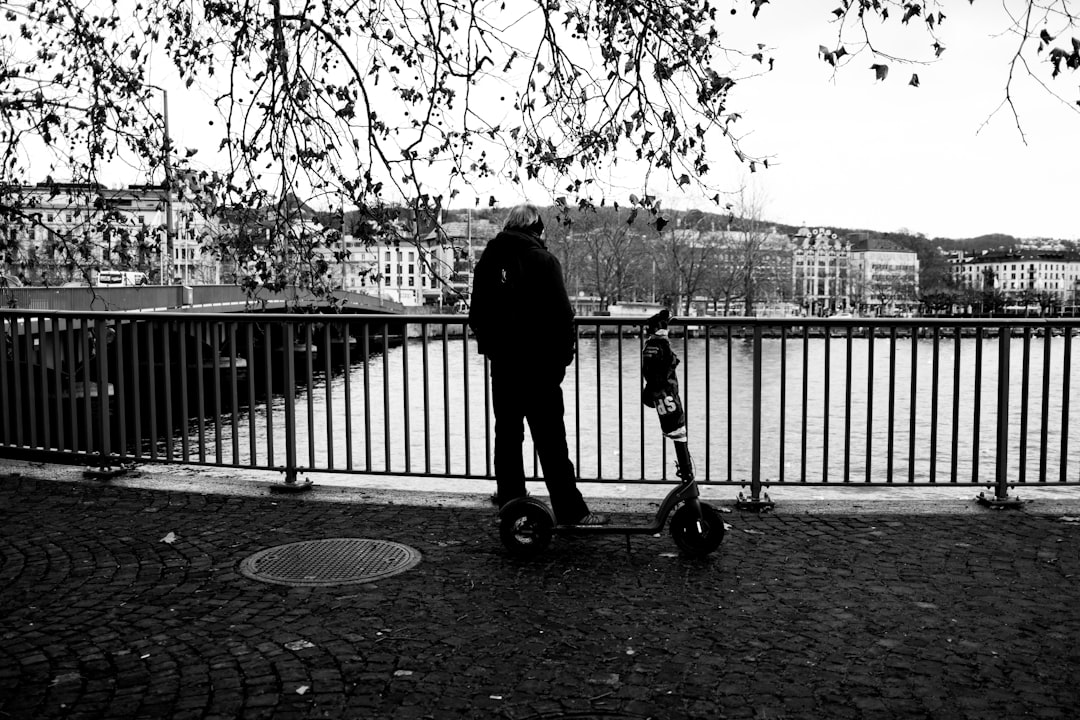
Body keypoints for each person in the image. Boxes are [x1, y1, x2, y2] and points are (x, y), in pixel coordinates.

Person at [468, 203, 608, 526]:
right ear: (536, 228)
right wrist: (561, 361)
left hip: (504, 368)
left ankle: (512, 509)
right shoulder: (544, 261)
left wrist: (494, 350)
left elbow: (478, 316)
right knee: (551, 443)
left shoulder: (488, 260)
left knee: (507, 438)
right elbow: (563, 318)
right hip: (541, 370)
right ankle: (571, 513)